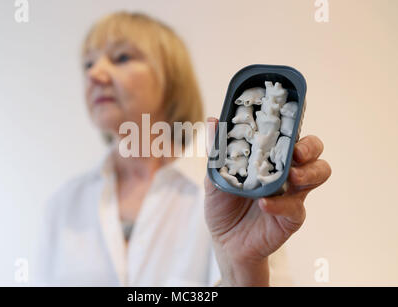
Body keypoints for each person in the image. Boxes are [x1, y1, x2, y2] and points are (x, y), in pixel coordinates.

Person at [35, 11, 331, 287]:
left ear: (172, 78)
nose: (94, 74)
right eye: (87, 63)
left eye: (121, 57)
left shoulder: (232, 194)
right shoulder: (63, 207)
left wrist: (243, 266)